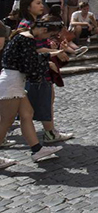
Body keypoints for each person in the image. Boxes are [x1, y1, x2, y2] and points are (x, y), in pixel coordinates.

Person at [0, 19, 65, 166]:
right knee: (6, 121)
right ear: (43, 31)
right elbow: (29, 66)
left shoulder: (23, 36)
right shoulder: (27, 39)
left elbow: (28, 60)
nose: (47, 39)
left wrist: (49, 57)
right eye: (49, 35)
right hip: (12, 82)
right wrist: (48, 61)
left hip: (14, 81)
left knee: (27, 113)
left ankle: (37, 149)